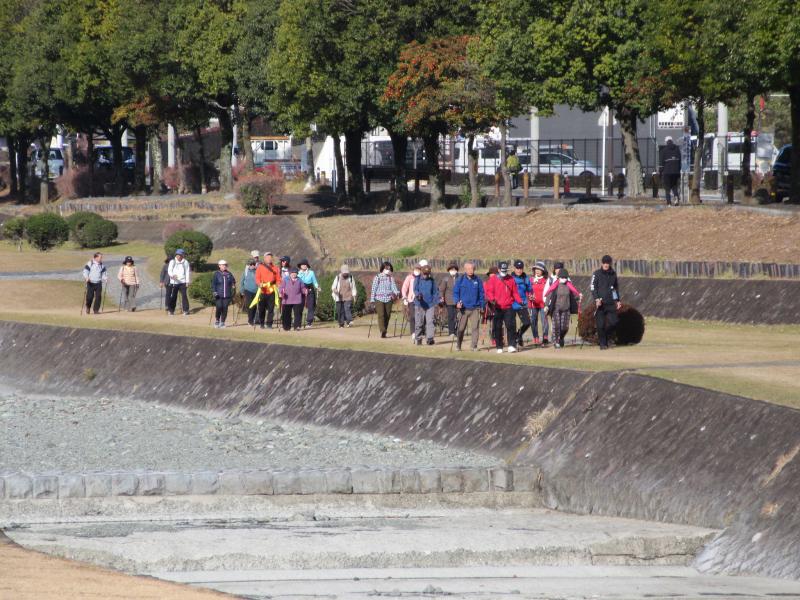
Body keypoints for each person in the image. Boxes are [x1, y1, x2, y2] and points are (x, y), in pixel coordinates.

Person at [484, 261, 522, 353]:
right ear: (499, 269)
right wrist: (492, 299)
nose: (504, 272)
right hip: (497, 306)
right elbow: (489, 291)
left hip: (509, 306)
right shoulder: (493, 279)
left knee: (511, 325)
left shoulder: (511, 279)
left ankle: (511, 345)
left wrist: (520, 301)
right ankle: (499, 346)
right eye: (502, 270)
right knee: (497, 327)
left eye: (505, 270)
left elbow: (515, 292)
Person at [591, 254, 622, 350]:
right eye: (604, 263)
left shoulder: (613, 274)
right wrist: (596, 299)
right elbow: (593, 287)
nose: (606, 265)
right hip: (600, 304)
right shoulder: (596, 274)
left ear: (610, 263)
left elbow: (615, 289)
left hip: (610, 303)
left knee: (614, 323)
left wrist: (617, 300)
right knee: (600, 326)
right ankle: (603, 344)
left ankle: (605, 338)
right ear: (602, 263)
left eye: (607, 263)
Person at [545, 268, 582, 348]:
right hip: (556, 308)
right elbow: (549, 295)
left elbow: (574, 295)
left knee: (565, 327)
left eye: (565, 277)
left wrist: (579, 296)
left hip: (566, 308)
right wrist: (546, 305)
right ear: (558, 277)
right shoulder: (555, 285)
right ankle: (556, 341)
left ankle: (561, 337)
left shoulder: (569, 285)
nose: (563, 279)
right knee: (557, 326)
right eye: (562, 277)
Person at [453, 261, 485, 351]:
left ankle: (474, 346)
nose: (471, 270)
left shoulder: (478, 280)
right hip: (463, 308)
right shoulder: (460, 280)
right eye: (469, 268)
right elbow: (455, 293)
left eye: (472, 268)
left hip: (475, 308)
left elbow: (481, 294)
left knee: (475, 328)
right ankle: (458, 345)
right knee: (461, 328)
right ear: (465, 269)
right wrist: (457, 302)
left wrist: (482, 306)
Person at [369, 261, 399, 338]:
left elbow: (394, 287)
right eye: (386, 268)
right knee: (381, 315)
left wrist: (397, 292)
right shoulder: (377, 277)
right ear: (383, 268)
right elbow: (373, 289)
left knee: (387, 315)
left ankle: (384, 330)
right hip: (379, 298)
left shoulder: (391, 278)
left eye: (389, 269)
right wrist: (372, 300)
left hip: (389, 298)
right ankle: (383, 330)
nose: (388, 270)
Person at [413, 265, 440, 345]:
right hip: (419, 304)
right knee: (419, 322)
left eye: (427, 274)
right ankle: (418, 338)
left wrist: (437, 301)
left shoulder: (432, 281)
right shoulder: (417, 279)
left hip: (430, 304)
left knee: (430, 322)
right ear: (422, 272)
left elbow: (435, 292)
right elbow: (415, 289)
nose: (426, 275)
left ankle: (430, 339)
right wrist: (418, 295)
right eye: (424, 273)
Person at [255, 252, 280, 328]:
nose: (269, 259)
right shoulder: (260, 267)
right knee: (261, 309)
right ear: (264, 258)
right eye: (268, 257)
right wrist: (259, 284)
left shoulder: (275, 268)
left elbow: (278, 279)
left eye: (270, 257)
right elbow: (257, 278)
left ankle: (269, 324)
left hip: (272, 291)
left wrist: (279, 286)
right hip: (262, 291)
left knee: (271, 309)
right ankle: (262, 323)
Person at [511, 260, 532, 348]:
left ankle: (519, 334)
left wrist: (531, 295)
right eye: (517, 268)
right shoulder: (510, 278)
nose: (519, 270)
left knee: (527, 322)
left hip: (522, 304)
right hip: (511, 303)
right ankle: (512, 342)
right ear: (514, 268)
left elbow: (529, 288)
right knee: (511, 324)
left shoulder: (525, 278)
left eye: (520, 268)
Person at [529, 261, 550, 346]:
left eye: (539, 269)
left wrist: (547, 303)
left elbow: (549, 292)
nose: (537, 271)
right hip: (533, 304)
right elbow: (528, 290)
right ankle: (535, 337)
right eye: (536, 269)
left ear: (543, 271)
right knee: (533, 321)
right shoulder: (530, 279)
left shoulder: (546, 280)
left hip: (543, 304)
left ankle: (545, 337)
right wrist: (529, 296)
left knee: (544, 321)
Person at [211, 259, 236, 328]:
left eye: (225, 265)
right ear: (219, 266)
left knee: (225, 308)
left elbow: (233, 281)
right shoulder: (216, 274)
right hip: (218, 295)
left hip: (227, 295)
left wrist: (233, 285)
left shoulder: (229, 274)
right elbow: (213, 284)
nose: (224, 266)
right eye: (223, 265)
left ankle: (223, 322)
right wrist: (214, 292)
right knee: (219, 307)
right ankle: (217, 320)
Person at [297, 259, 321, 328]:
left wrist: (317, 287)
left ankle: (309, 322)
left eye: (305, 264)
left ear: (307, 265)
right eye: (302, 265)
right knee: (300, 307)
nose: (304, 266)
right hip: (301, 291)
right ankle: (298, 322)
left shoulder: (311, 272)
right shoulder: (298, 273)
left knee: (311, 306)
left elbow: (315, 282)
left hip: (310, 290)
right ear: (300, 266)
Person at [167, 249, 191, 316]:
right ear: (176, 255)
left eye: (180, 255)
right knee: (173, 296)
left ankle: (186, 310)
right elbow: (169, 270)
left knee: (184, 296)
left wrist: (187, 281)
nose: (179, 256)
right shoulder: (172, 261)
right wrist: (172, 275)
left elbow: (187, 272)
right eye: (178, 255)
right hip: (174, 282)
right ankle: (171, 310)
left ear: (183, 255)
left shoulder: (185, 262)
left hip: (183, 282)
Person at [438, 263, 459, 339]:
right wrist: (441, 297)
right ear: (449, 270)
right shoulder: (445, 279)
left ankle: (456, 331)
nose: (453, 271)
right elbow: (441, 290)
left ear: (456, 270)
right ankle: (451, 332)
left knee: (457, 317)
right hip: (449, 301)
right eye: (451, 269)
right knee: (451, 316)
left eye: (454, 269)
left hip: (458, 301)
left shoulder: (459, 278)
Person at [401, 263, 421, 341]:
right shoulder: (409, 277)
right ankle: (413, 332)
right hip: (411, 300)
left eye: (418, 269)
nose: (417, 271)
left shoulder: (422, 278)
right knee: (412, 316)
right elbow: (404, 288)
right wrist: (404, 297)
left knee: (420, 317)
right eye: (416, 269)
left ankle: (419, 331)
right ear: (413, 270)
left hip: (420, 300)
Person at [660, 136, 682, 206]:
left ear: (666, 142)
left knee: (667, 188)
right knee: (674, 186)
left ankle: (669, 202)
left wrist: (661, 172)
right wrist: (678, 170)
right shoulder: (677, 149)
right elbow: (680, 161)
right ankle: (676, 199)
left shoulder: (664, 150)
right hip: (676, 172)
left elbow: (662, 163)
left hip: (667, 171)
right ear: (672, 141)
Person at [483, 265, 499, 347]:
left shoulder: (500, 282)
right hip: (489, 305)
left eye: (495, 274)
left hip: (499, 305)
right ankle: (493, 338)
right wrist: (489, 300)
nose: (492, 275)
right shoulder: (486, 283)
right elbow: (485, 294)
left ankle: (498, 337)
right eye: (491, 274)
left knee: (499, 323)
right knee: (493, 323)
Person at [241, 258, 259, 326]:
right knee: (250, 305)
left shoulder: (257, 272)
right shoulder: (245, 272)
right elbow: (242, 282)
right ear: (248, 265)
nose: (252, 265)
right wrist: (242, 290)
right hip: (247, 291)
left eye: (253, 264)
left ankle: (252, 319)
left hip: (256, 291)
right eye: (250, 264)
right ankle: (250, 320)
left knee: (254, 306)